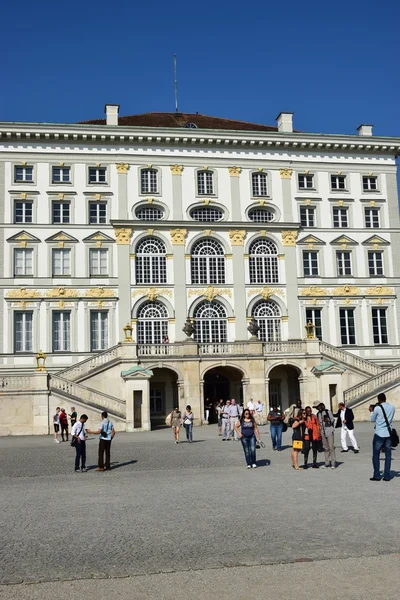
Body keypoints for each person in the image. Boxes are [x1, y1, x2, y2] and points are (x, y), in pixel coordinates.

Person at [369, 393, 396, 482]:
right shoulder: (392, 408)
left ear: (379, 399)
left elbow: (372, 419)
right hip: (388, 433)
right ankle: (387, 476)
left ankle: (377, 475)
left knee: (376, 455)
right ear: (385, 398)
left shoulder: (377, 408)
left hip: (379, 433)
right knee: (388, 455)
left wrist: (371, 411)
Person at [314, 401, 336, 469]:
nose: (317, 408)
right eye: (316, 407)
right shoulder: (318, 414)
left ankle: (333, 463)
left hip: (329, 431)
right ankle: (326, 463)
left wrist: (328, 420)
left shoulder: (327, 412)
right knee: (325, 448)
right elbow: (319, 424)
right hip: (322, 432)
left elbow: (333, 420)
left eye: (317, 407)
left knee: (331, 447)